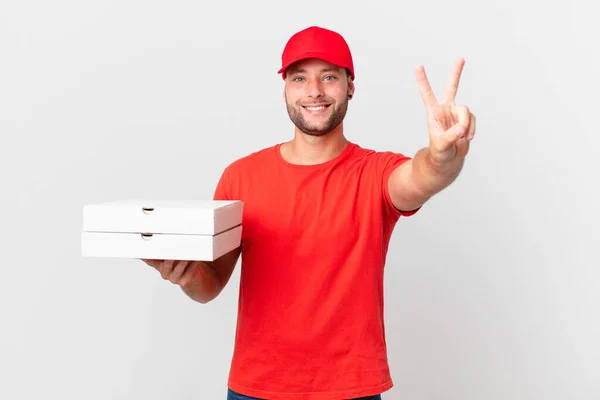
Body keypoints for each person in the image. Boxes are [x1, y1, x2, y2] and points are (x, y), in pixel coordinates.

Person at [143, 26, 476, 400]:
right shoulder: (240, 177)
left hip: (351, 390)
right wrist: (185, 276)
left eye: (329, 77)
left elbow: (423, 175)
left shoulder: (376, 173)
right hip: (257, 388)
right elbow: (210, 285)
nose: (314, 91)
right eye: (299, 78)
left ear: (351, 86)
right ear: (285, 88)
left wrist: (444, 157)